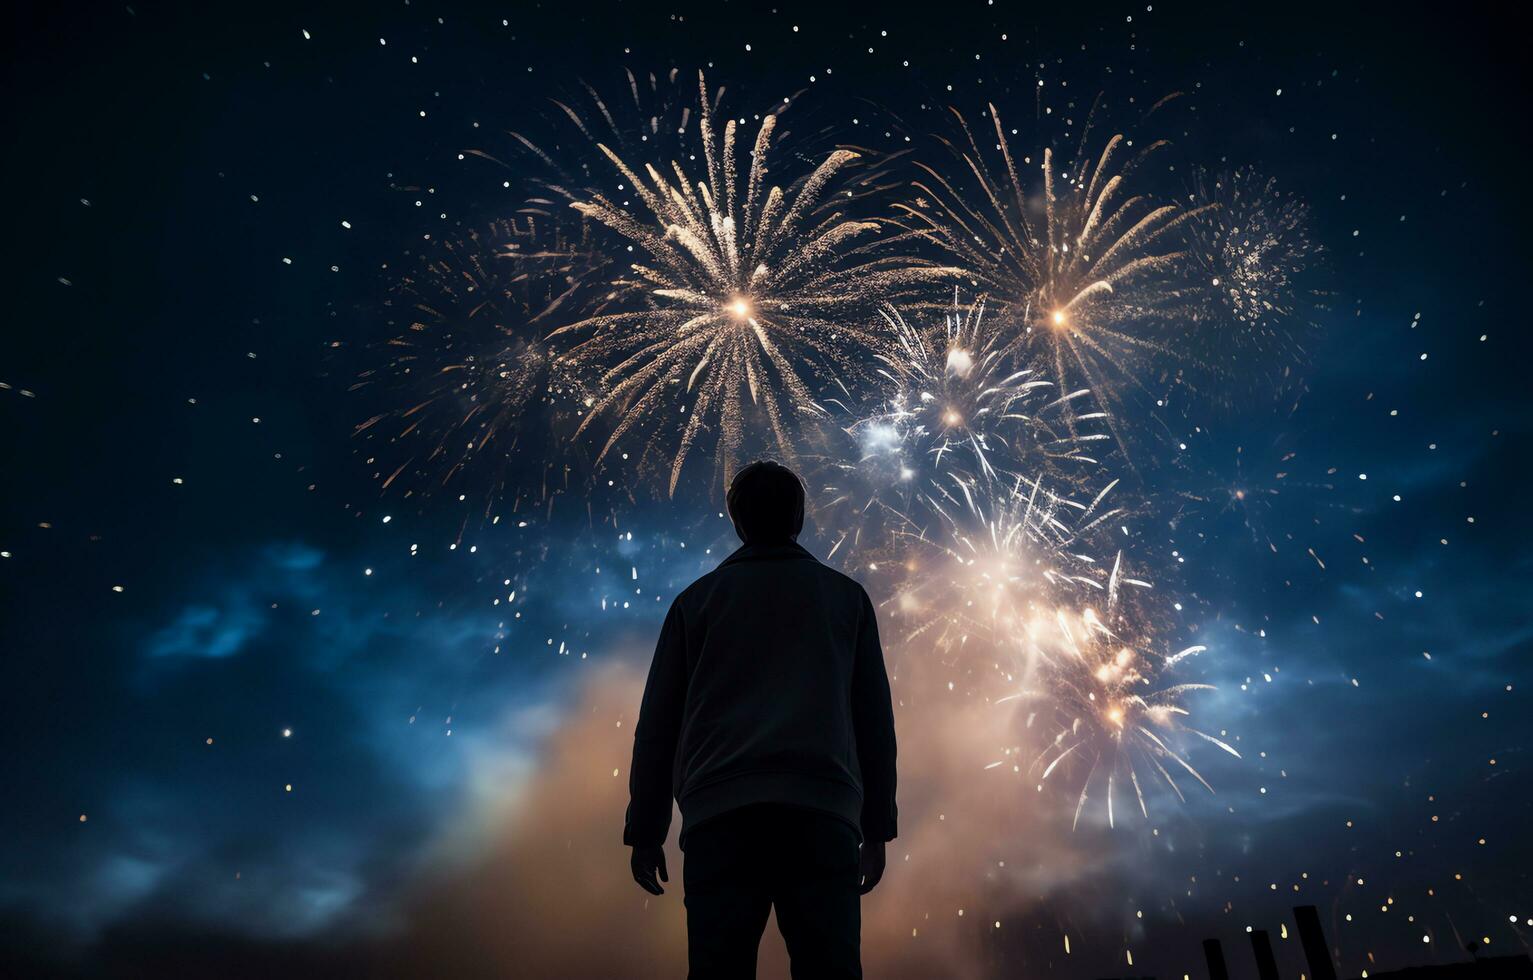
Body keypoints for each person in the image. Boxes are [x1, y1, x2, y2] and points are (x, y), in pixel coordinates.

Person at [624, 459, 898, 979]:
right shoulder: (845, 599)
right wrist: (877, 828)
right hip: (821, 814)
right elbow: (873, 723)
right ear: (799, 517)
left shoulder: (695, 602)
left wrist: (646, 829)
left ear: (737, 522)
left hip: (720, 817)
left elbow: (657, 727)